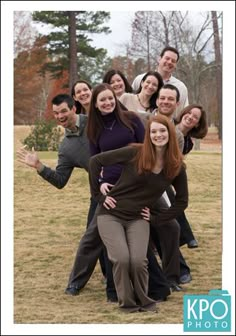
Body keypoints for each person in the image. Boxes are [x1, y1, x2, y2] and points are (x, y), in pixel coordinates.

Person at [64, 84, 171, 303]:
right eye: (102, 100)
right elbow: (95, 161)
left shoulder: (131, 119)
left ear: (115, 99)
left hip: (138, 183)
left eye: (110, 99)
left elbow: (147, 147)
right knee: (93, 235)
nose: (107, 103)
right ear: (95, 104)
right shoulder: (93, 129)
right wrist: (101, 183)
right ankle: (78, 282)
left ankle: (169, 278)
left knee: (169, 225)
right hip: (113, 188)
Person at [88, 114, 188, 312]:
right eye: (153, 131)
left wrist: (157, 218)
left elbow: (182, 201)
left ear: (170, 132)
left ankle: (144, 299)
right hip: (110, 214)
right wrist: (98, 196)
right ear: (148, 135)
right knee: (121, 258)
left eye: (162, 130)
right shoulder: (135, 152)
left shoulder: (176, 166)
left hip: (137, 218)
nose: (158, 135)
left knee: (139, 261)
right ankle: (127, 303)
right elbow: (95, 161)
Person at [175, 104, 208, 248]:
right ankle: (187, 237)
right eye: (189, 113)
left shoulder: (188, 143)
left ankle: (185, 237)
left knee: (176, 200)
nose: (190, 117)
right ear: (183, 113)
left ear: (197, 124)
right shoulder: (168, 126)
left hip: (169, 175)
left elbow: (179, 162)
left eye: (195, 117)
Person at [132, 46, 189, 117]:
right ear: (159, 59)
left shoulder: (180, 87)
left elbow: (182, 112)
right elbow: (131, 101)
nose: (169, 62)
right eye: (167, 58)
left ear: (175, 65)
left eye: (173, 61)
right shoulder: (141, 79)